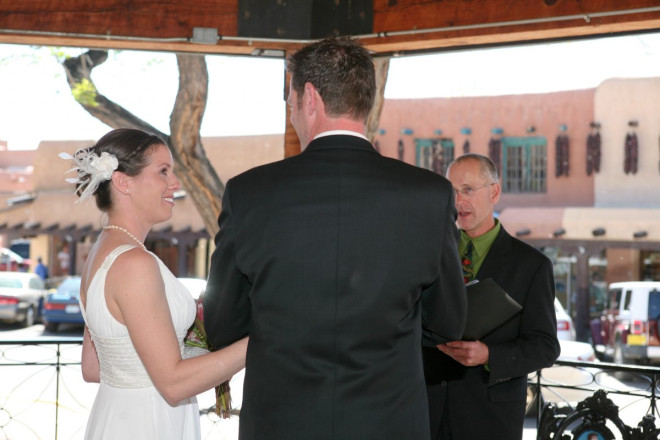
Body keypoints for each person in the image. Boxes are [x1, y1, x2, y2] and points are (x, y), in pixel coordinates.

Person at [203, 35, 467, 440]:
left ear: (309, 98)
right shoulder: (429, 195)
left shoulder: (249, 193)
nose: (290, 111)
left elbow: (224, 325)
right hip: (389, 423)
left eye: (288, 99)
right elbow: (448, 321)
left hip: (280, 424)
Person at [64, 128, 247, 440]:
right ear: (122, 182)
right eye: (163, 172)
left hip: (118, 418)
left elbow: (95, 367)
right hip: (147, 425)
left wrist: (203, 344)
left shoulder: (100, 253)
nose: (174, 184)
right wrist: (261, 341)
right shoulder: (135, 263)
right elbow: (174, 385)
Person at [423, 153, 561, 440]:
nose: (458, 201)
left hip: (490, 420)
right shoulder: (428, 254)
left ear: (494, 192)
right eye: (452, 191)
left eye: (468, 190)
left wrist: (489, 355)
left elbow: (546, 346)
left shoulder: (532, 265)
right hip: (426, 411)